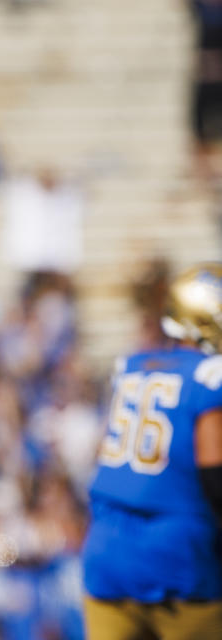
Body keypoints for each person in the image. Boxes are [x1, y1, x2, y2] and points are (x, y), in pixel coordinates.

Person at [82, 263, 222, 639]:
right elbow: (216, 480)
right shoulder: (210, 376)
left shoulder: (133, 366)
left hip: (106, 550)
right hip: (179, 559)